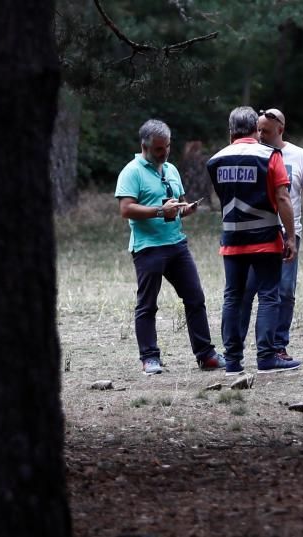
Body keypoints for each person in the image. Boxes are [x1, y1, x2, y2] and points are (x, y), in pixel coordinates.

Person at [115, 119, 225, 375]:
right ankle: (150, 358)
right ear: (145, 146)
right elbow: (126, 209)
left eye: (167, 147)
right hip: (148, 248)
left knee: (195, 298)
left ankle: (206, 355)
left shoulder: (171, 170)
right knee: (147, 304)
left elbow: (178, 206)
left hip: (177, 245)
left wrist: (186, 210)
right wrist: (158, 211)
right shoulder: (131, 172)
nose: (164, 152)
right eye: (158, 149)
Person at [206, 106, 301, 375]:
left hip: (232, 239)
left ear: (230, 130)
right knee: (269, 296)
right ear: (254, 129)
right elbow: (282, 198)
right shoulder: (269, 155)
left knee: (232, 297)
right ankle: (267, 358)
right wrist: (290, 237)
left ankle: (233, 362)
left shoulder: (215, 160)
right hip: (264, 239)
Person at [236, 108, 303, 361]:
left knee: (284, 291)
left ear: (280, 129)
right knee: (246, 291)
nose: (261, 135)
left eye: (266, 131)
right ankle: (235, 346)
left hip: (288, 233)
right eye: (259, 130)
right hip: (256, 232)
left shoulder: (299, 156)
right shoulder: (252, 154)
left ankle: (278, 345)